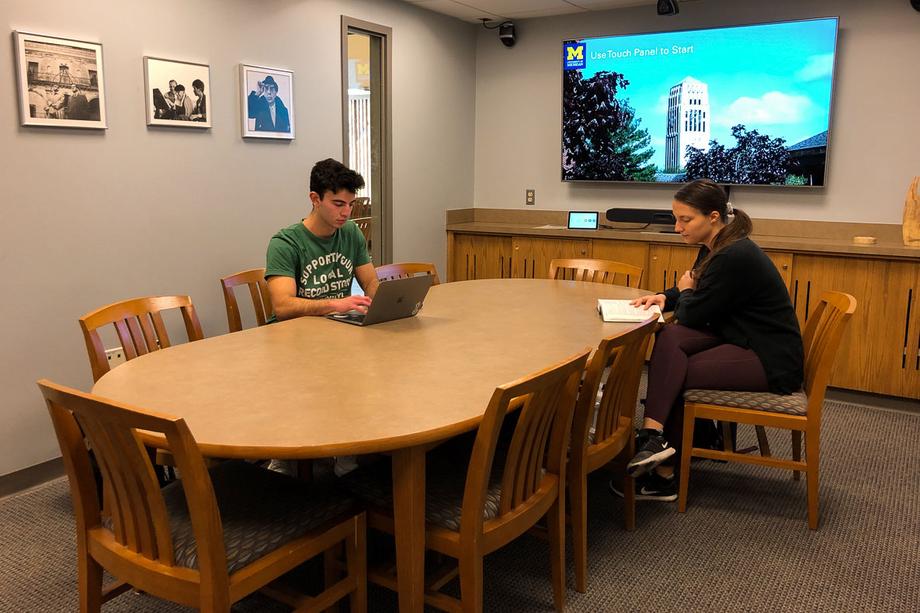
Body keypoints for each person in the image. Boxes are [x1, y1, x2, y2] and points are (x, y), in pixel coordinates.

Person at [611, 178, 804, 502]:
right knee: (671, 338)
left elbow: (693, 310)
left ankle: (663, 474)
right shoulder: (718, 246)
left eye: (685, 220)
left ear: (713, 217)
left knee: (676, 370)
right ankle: (655, 438)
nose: (677, 228)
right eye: (676, 219)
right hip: (740, 338)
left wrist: (684, 293)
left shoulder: (733, 255)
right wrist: (664, 296)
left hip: (769, 358)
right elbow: (698, 291)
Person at [265, 158, 378, 321]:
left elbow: (370, 282)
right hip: (293, 334)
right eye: (338, 204)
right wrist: (335, 305)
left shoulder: (351, 232)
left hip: (337, 328)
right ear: (315, 199)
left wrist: (380, 303)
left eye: (351, 204)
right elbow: (283, 306)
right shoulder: (285, 243)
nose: (347, 212)